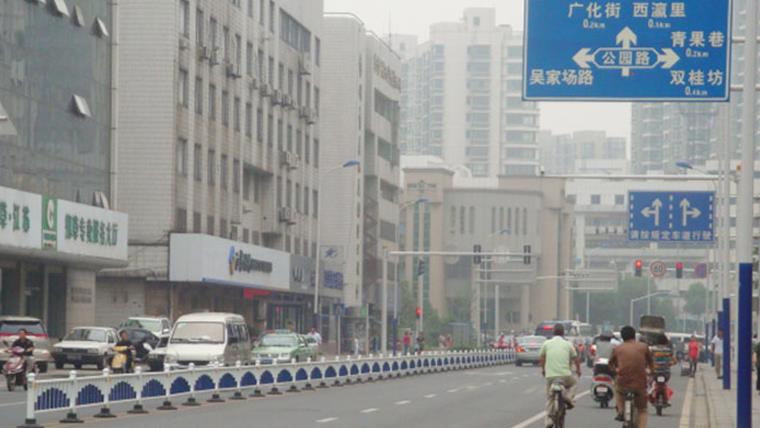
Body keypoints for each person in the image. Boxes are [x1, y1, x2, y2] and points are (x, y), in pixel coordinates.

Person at [609, 325, 654, 428]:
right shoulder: (644, 347)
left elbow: (610, 364)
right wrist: (651, 372)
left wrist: (616, 370)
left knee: (617, 389)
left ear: (622, 337)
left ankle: (620, 411)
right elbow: (651, 363)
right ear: (634, 336)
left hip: (623, 383)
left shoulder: (617, 348)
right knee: (642, 410)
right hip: (640, 384)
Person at [539, 323, 580, 428]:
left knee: (550, 397)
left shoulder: (547, 343)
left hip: (551, 377)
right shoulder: (568, 344)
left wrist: (544, 370)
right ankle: (568, 397)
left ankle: (548, 421)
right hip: (565, 376)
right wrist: (578, 371)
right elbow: (576, 359)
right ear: (563, 333)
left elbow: (542, 358)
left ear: (553, 333)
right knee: (574, 383)